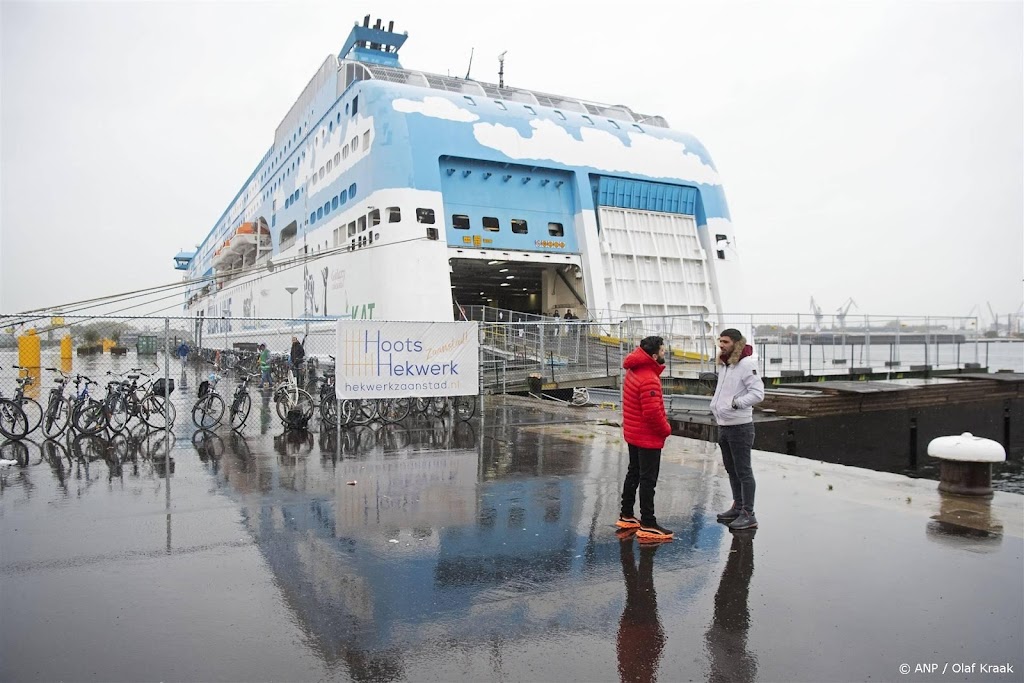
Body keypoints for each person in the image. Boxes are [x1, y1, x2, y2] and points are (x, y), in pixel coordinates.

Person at [617, 335, 674, 540]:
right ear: (653, 354)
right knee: (648, 479)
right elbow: (652, 414)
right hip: (647, 436)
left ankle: (627, 514)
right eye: (662, 350)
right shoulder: (649, 377)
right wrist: (666, 429)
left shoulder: (634, 370)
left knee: (634, 472)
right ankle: (648, 523)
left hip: (633, 433)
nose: (664, 353)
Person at [710, 328, 765, 531]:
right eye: (720, 341)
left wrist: (735, 404)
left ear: (736, 343)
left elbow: (758, 394)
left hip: (740, 426)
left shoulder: (746, 364)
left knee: (743, 471)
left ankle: (748, 514)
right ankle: (738, 506)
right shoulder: (726, 364)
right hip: (724, 424)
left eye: (725, 341)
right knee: (731, 469)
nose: (721, 345)